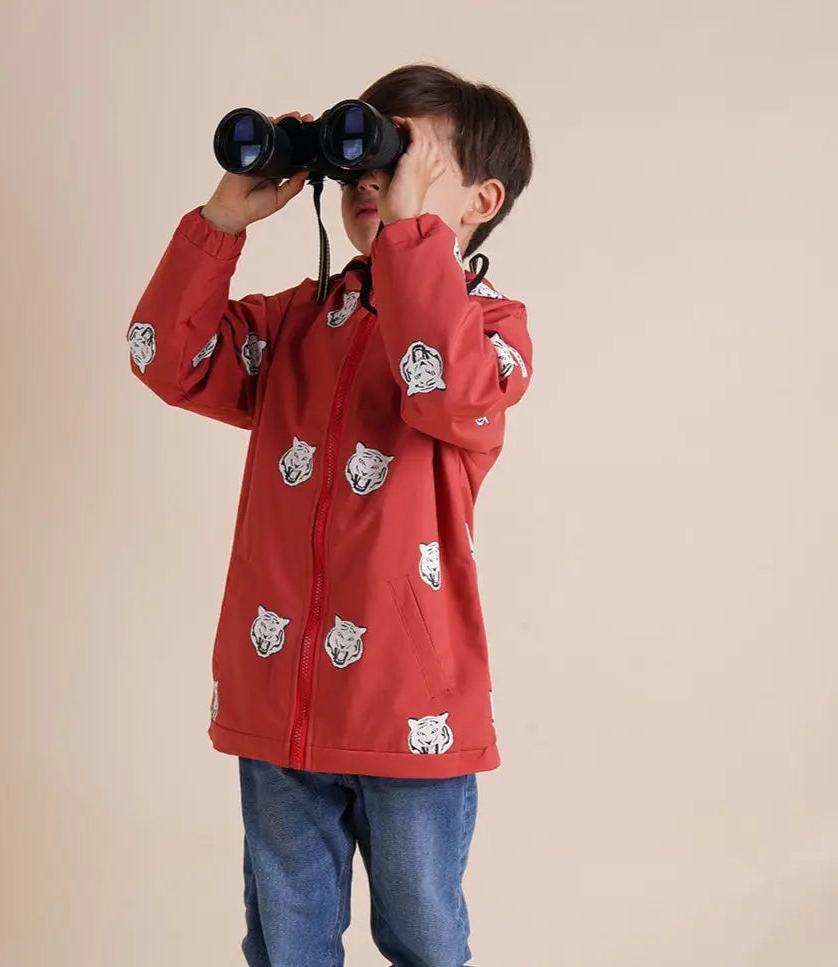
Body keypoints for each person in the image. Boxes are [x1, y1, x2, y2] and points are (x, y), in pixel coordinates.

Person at [127, 62, 534, 967]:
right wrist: (220, 225)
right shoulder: (300, 323)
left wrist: (410, 237)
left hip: (408, 701)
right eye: (363, 160)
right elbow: (165, 357)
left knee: (425, 937)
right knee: (285, 942)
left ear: (481, 199)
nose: (373, 181)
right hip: (278, 693)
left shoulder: (491, 329)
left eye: (407, 158)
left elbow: (445, 386)